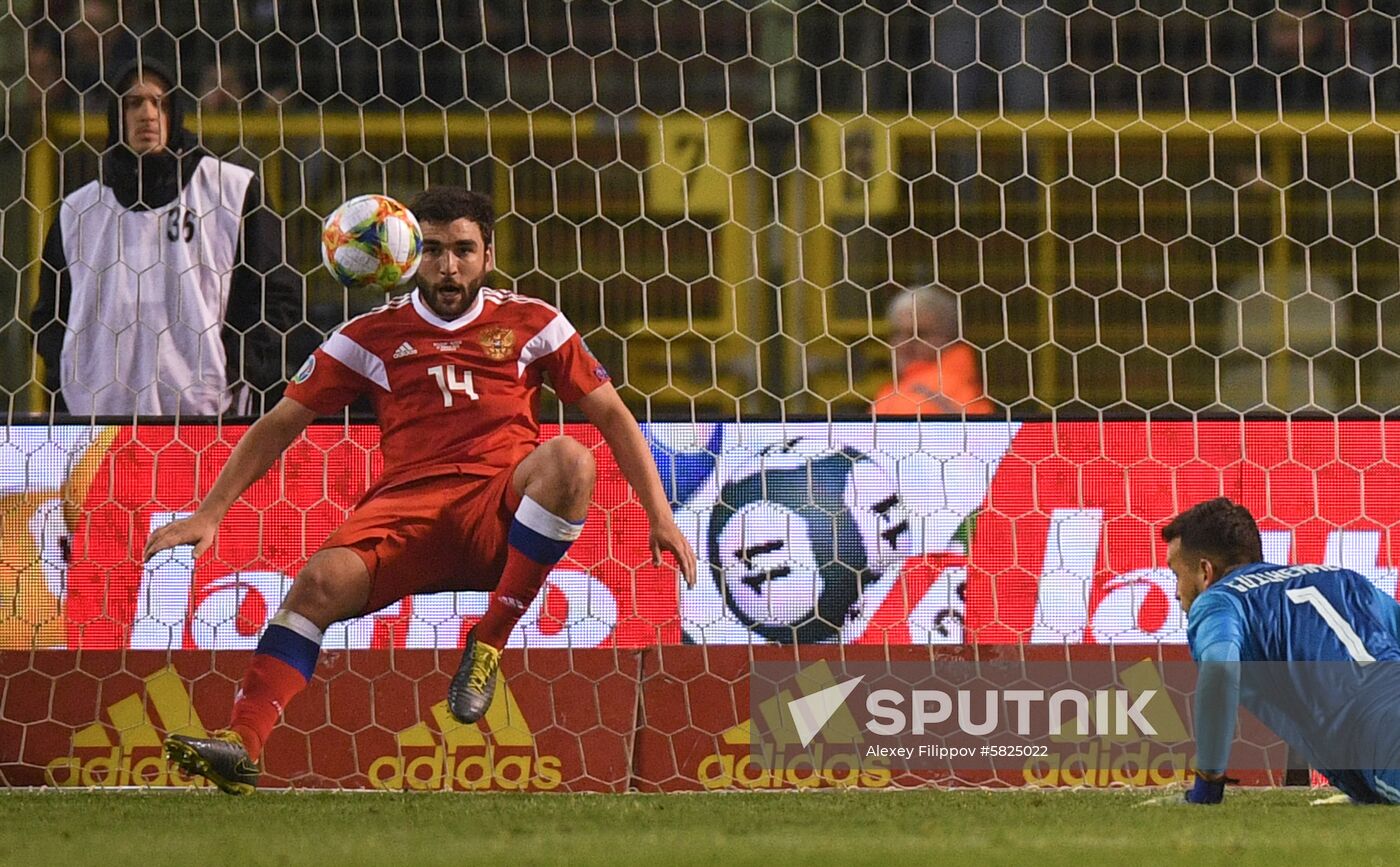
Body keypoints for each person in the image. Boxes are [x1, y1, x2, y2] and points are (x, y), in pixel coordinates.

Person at [143, 186, 698, 795]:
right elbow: (280, 424)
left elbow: (615, 417)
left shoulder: (533, 322)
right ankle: (240, 746)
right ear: (409, 256)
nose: (448, 266)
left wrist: (661, 515)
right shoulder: (368, 336)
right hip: (404, 516)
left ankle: (490, 638)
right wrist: (210, 512)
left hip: (498, 509)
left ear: (488, 256)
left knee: (569, 459)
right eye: (433, 250)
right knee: (317, 585)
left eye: (463, 250)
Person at [30, 57, 296, 417]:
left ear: (176, 112)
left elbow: (275, 294)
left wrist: (236, 368)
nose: (148, 114)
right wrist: (76, 376)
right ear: (115, 115)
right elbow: (49, 315)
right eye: (134, 103)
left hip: (208, 414)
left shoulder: (230, 191)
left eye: (160, 103)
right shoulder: (79, 212)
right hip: (98, 419)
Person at [1165, 496, 1400, 805]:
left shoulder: (1219, 600)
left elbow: (1220, 668)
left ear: (1205, 572)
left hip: (1378, 733)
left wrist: (1206, 789)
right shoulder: (1340, 577)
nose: (1176, 591)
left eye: (1177, 575)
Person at [872, 285, 994, 417]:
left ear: (951, 338)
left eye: (919, 335)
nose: (903, 345)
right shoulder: (903, 388)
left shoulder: (935, 391)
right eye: (897, 333)